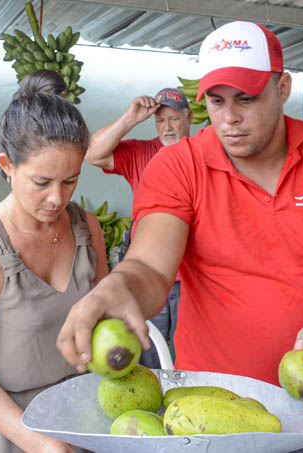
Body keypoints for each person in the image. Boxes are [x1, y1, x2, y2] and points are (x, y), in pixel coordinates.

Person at [57, 21, 303, 452]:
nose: (230, 118)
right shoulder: (178, 165)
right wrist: (119, 286)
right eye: (216, 102)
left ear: (283, 87)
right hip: (206, 407)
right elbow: (149, 265)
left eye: (247, 99)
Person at [0, 69, 108, 453]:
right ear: (7, 166)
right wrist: (39, 443)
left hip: (78, 421)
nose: (57, 197)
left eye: (70, 181)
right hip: (6, 432)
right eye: (42, 182)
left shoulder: (87, 229)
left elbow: (104, 316)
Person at [85, 88, 193, 368]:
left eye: (174, 119)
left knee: (191, 351)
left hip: (194, 276)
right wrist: (131, 118)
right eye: (160, 121)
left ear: (189, 118)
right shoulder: (141, 152)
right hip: (148, 271)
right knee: (148, 345)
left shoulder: (203, 154)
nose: (167, 127)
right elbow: (93, 153)